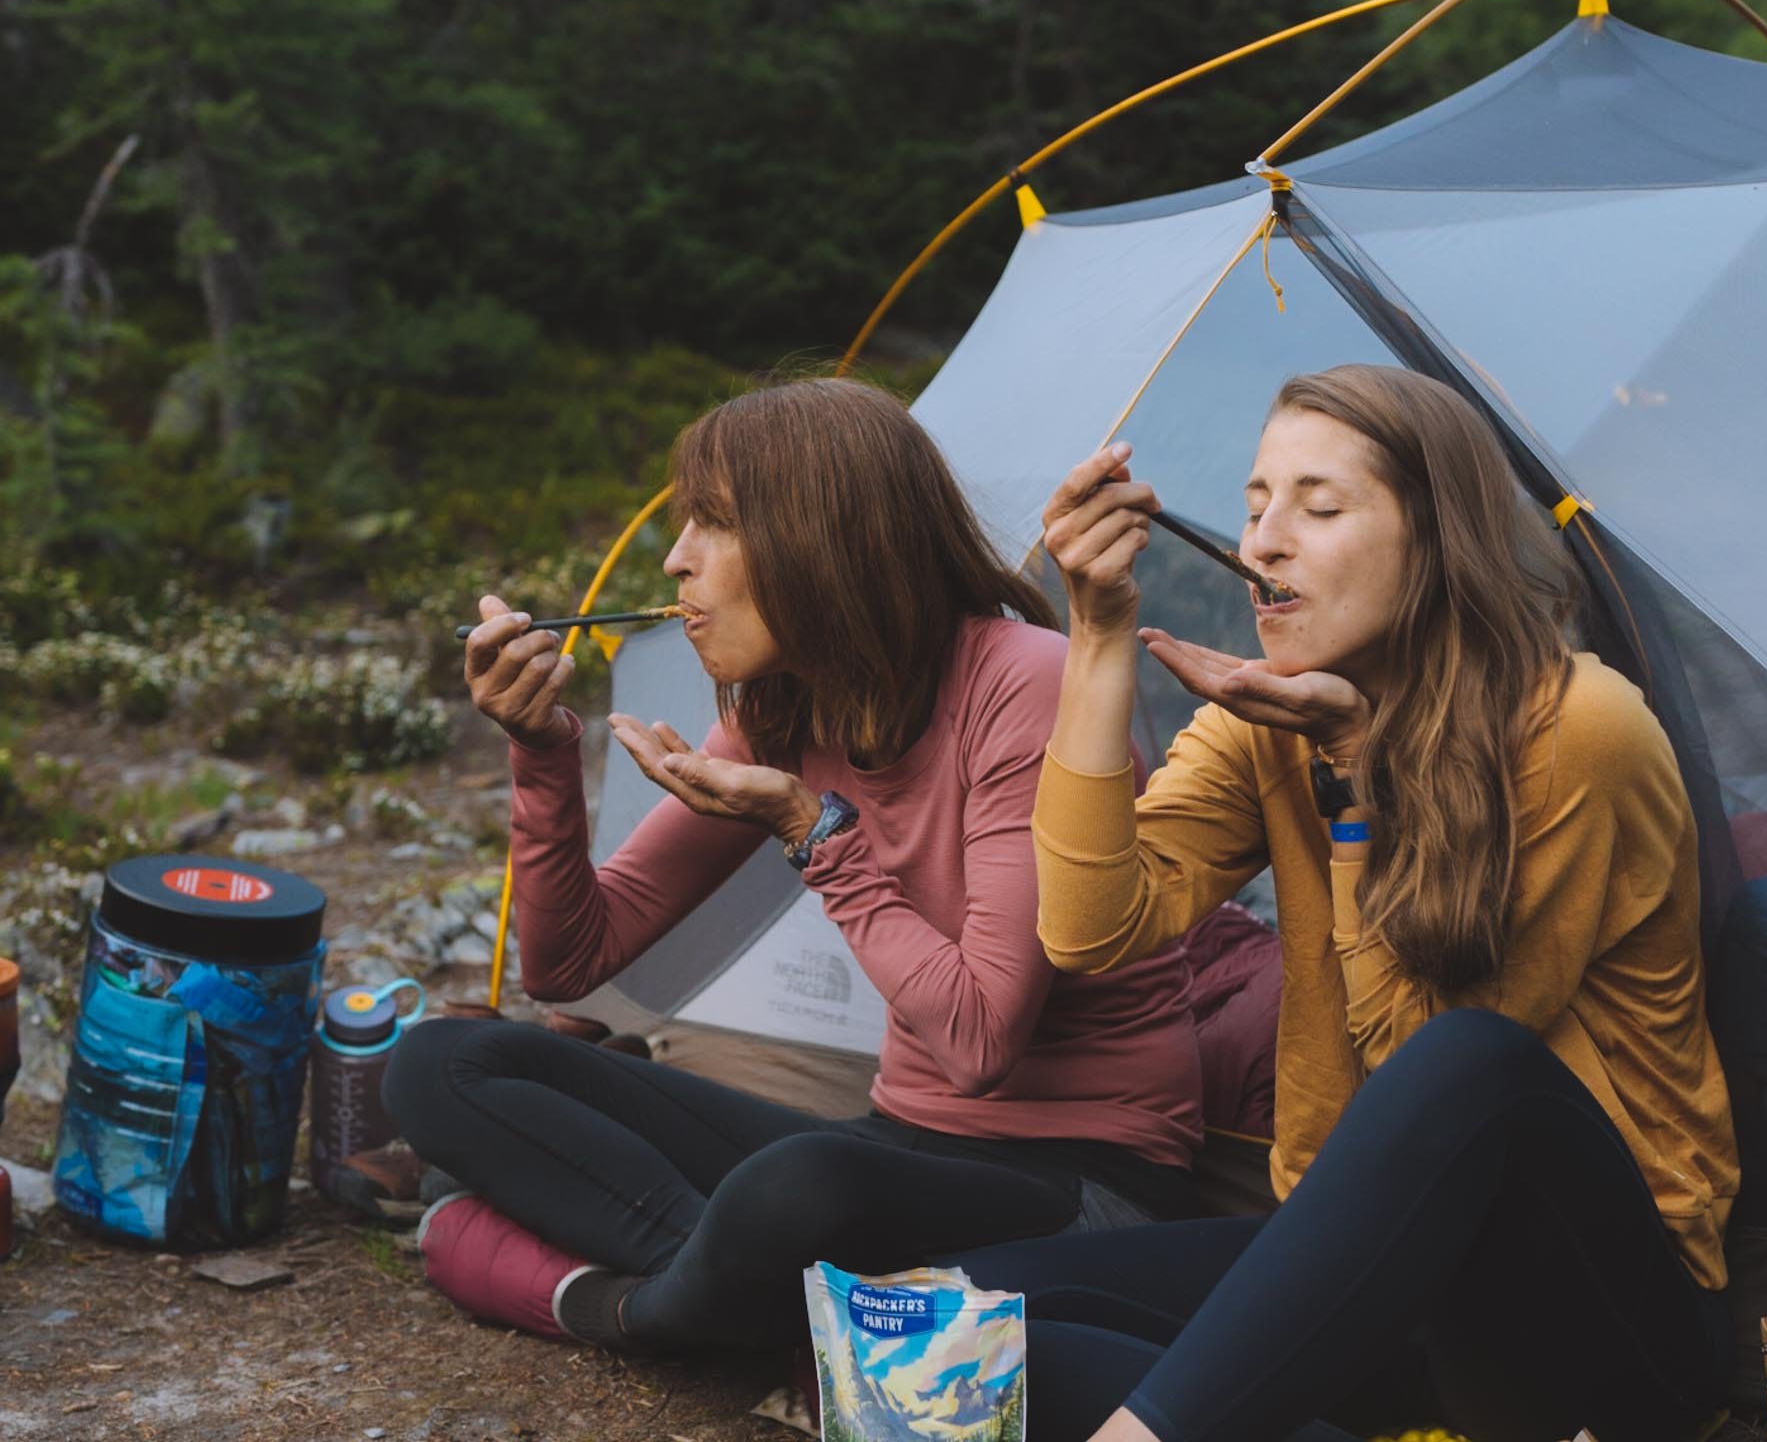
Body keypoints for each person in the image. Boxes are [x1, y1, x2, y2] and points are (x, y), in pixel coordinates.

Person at [816, 364, 1743, 1442]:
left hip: (1600, 1316)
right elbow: (1094, 923)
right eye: (1253, 505)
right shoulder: (1268, 716)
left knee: (1471, 1062)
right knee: (967, 1324)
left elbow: (1432, 1070)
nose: (1260, 542)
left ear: (1433, 540)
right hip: (1383, 1283)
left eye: (1317, 505)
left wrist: (1355, 783)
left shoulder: (1581, 729)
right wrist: (1104, 637)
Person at [385, 378, 1204, 1354]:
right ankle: (738, 1288)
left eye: (716, 522)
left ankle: (649, 1307)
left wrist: (817, 834)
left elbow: (980, 1042)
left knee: (800, 1184)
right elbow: (570, 964)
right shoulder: (790, 705)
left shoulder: (1023, 682)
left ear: (826, 543)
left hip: (1073, 1183)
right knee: (444, 1062)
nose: (676, 555)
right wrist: (542, 751)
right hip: (896, 1139)